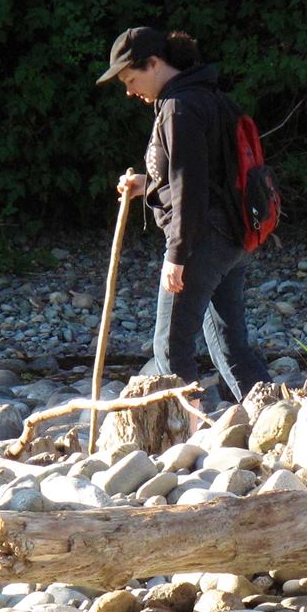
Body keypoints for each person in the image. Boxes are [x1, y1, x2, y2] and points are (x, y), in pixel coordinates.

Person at [97, 26, 269, 402]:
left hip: (202, 240)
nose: (129, 90)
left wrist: (177, 256)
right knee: (229, 345)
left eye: (131, 78)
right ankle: (278, 418)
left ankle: (182, 437)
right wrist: (148, 184)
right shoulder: (208, 95)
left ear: (154, 63)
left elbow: (190, 188)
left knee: (171, 348)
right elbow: (203, 173)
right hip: (231, 237)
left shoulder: (179, 107)